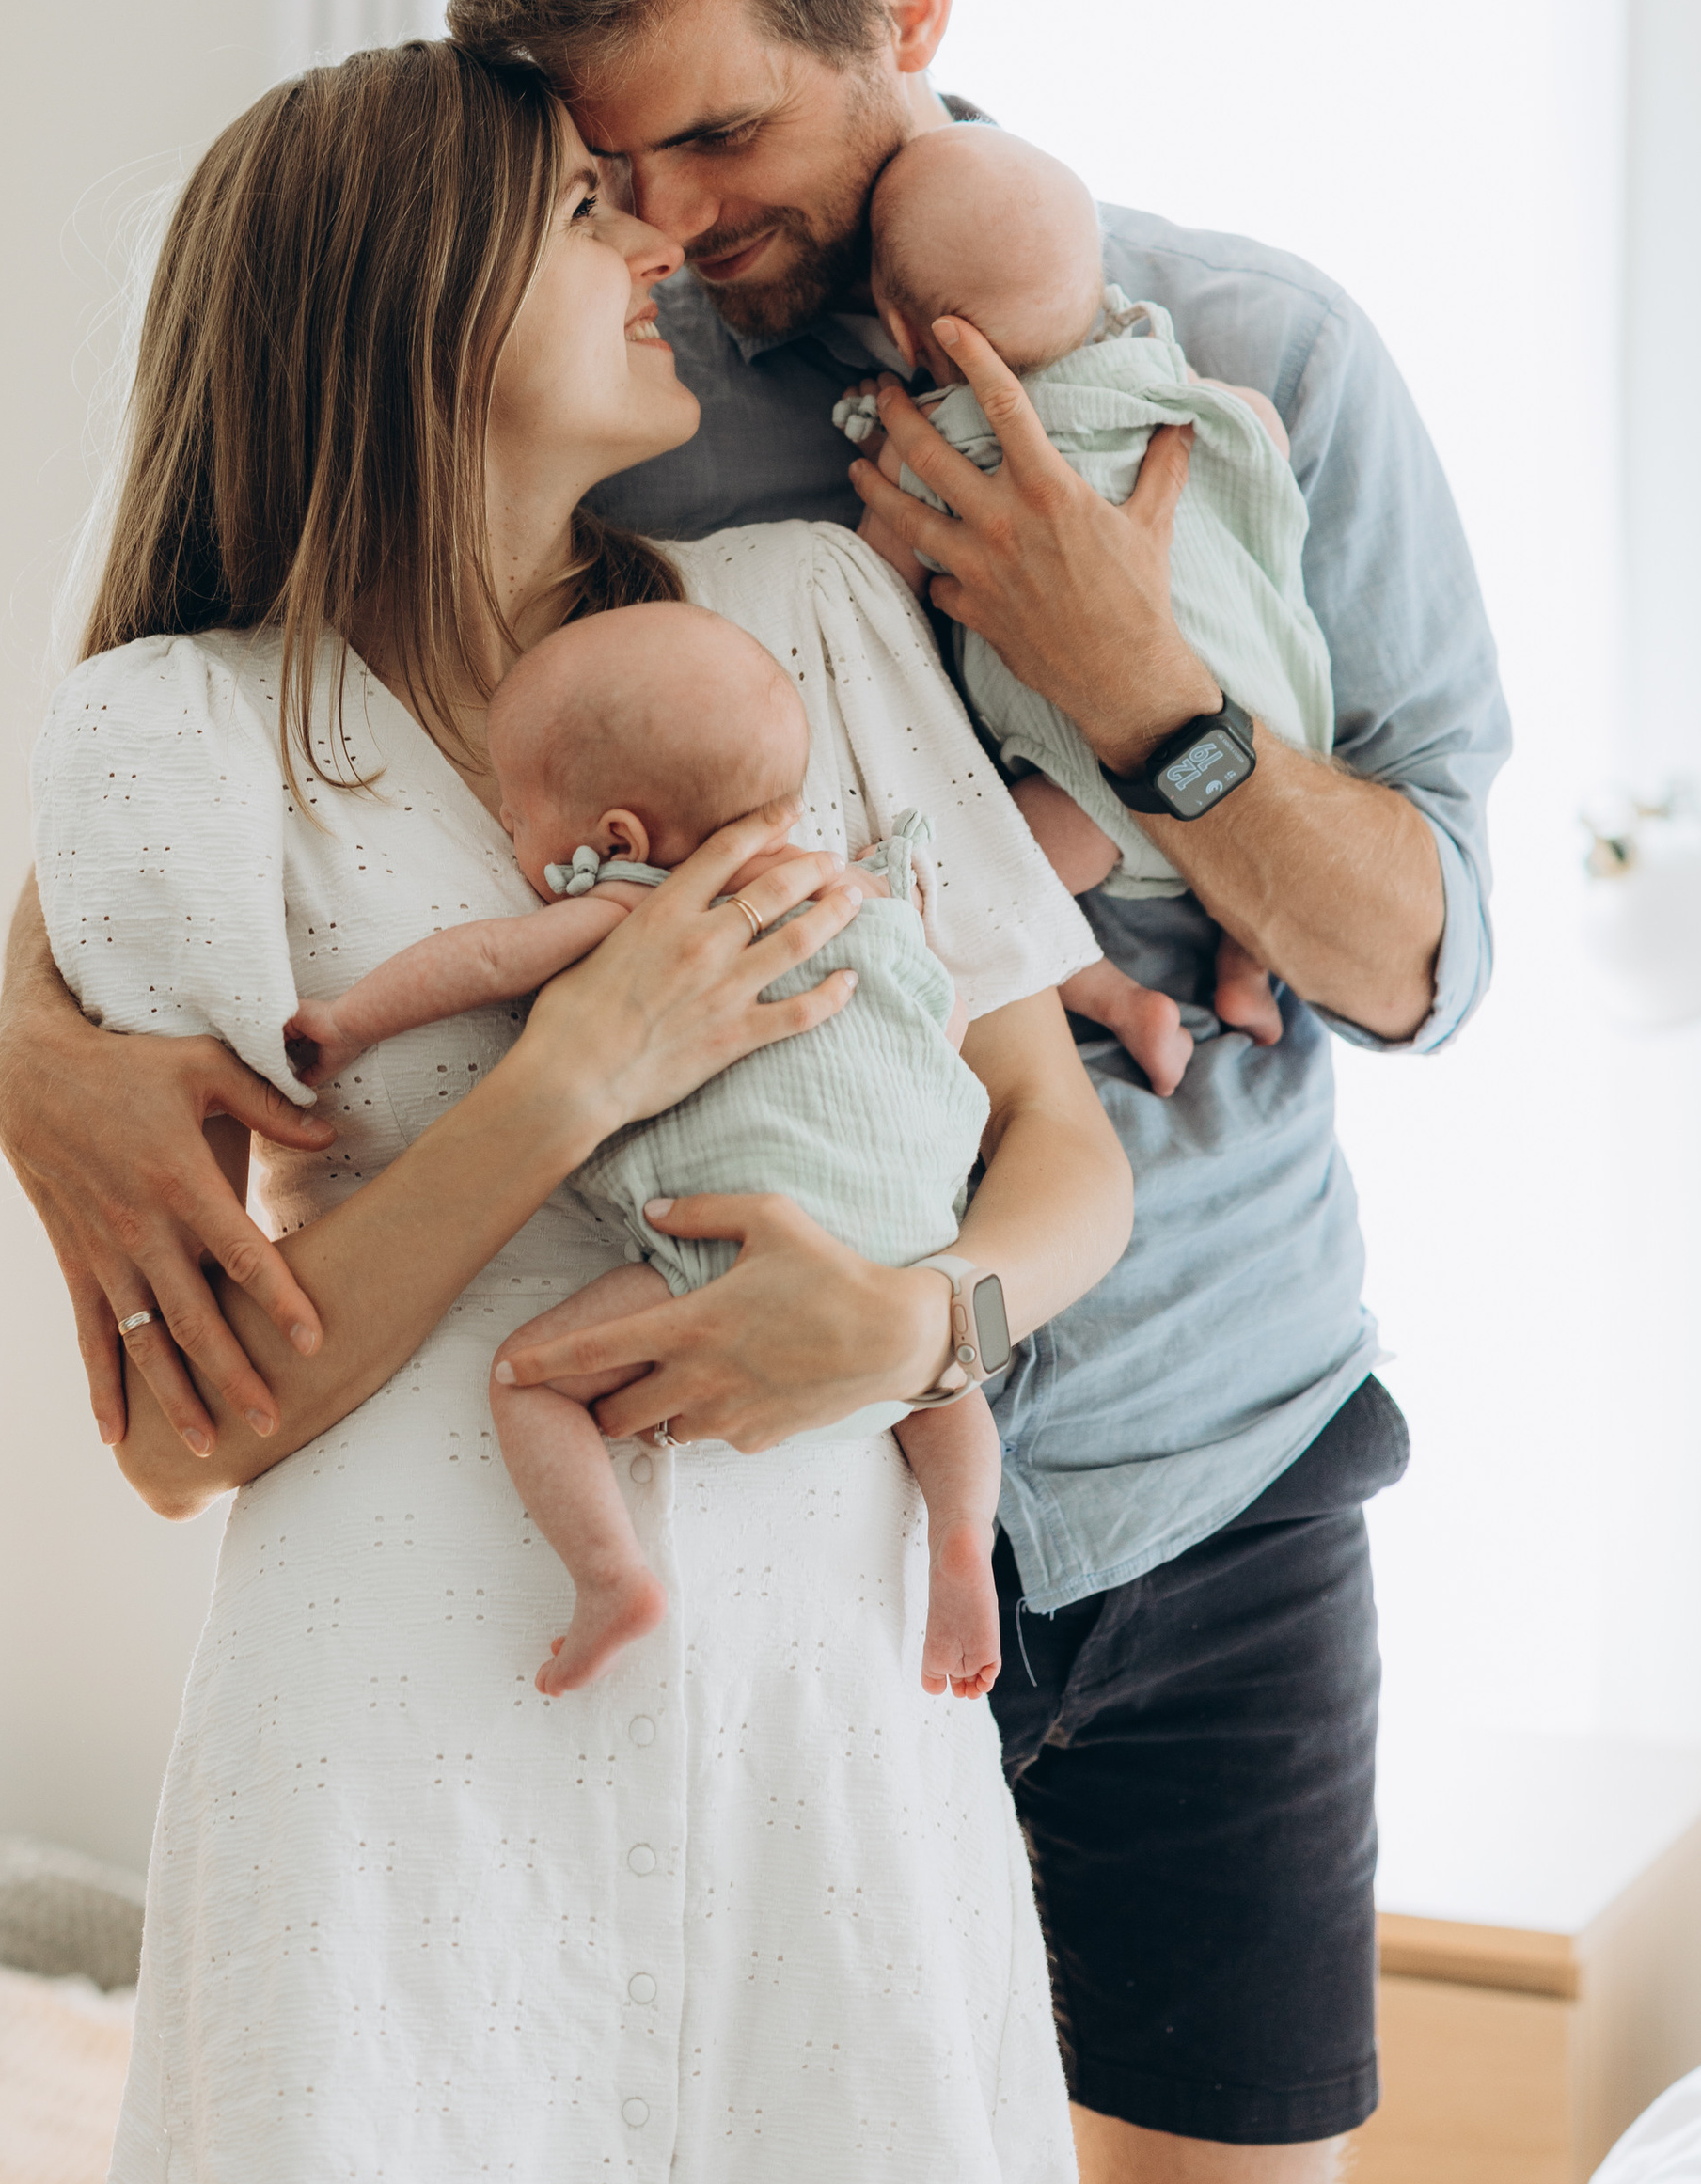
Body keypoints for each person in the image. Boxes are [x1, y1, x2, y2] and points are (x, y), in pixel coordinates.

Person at [0, 0, 1508, 2184]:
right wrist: (26, 1033)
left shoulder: (1243, 364)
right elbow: (294, 639)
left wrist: (1131, 688)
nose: (665, 220)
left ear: (903, 24)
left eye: (715, 137)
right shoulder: (620, 414)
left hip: (1183, 1456)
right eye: (597, 162)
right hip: (733, 1542)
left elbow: (1414, 955)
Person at [22, 39, 1132, 2184]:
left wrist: (922, 1330)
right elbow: (169, 1433)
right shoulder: (184, 735)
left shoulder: (805, 622)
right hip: (420, 1735)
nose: (654, 243)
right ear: (403, 303)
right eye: (575, 214)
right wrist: (572, 1078)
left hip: (799, 1700)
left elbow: (1058, 1146)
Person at [286, 597, 1128, 1703]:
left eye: (512, 814)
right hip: (910, 1250)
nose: (504, 829)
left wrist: (346, 1024)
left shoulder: (638, 912)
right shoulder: (857, 897)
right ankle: (964, 1543)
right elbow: (943, 1016)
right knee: (945, 1388)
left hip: (725, 1246)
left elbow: (481, 959)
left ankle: (608, 1577)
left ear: (616, 840)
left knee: (528, 1384)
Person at [835, 117, 1331, 1098]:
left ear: (904, 333)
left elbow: (857, 598)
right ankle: (1243, 967)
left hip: (1094, 793)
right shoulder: (1153, 359)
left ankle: (1114, 1001)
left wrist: (876, 460)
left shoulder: (940, 441)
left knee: (977, 879)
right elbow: (1253, 430)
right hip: (1281, 735)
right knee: (1234, 889)